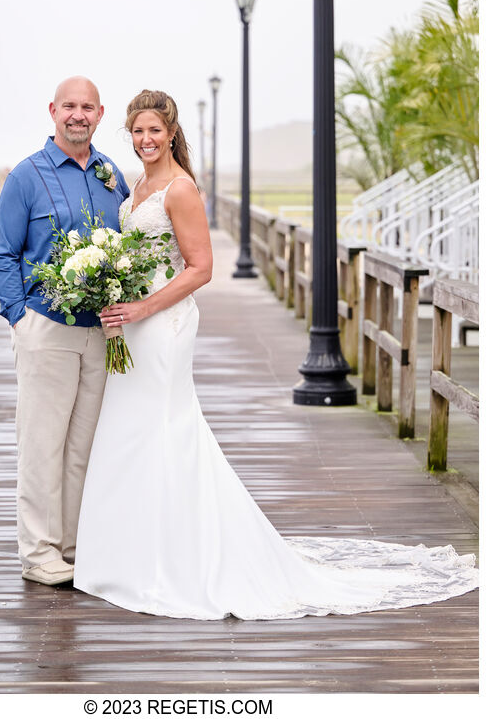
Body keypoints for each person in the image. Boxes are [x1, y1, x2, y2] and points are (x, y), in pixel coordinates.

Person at [72, 89, 478, 619]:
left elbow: (200, 269)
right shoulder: (136, 185)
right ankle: (128, 552)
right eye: (138, 131)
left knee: (162, 427)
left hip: (163, 323)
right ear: (129, 134)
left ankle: (174, 558)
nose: (146, 140)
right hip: (132, 325)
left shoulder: (180, 188)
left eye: (155, 130)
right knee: (129, 427)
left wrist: (143, 309)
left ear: (172, 132)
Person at [0, 76, 129, 586]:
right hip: (46, 327)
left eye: (87, 107)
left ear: (99, 113)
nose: (78, 114)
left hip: (100, 334)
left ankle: (72, 545)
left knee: (82, 447)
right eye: (69, 105)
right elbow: (2, 253)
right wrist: (19, 317)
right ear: (53, 111)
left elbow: (129, 242)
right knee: (41, 444)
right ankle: (39, 552)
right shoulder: (26, 176)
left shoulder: (112, 175)